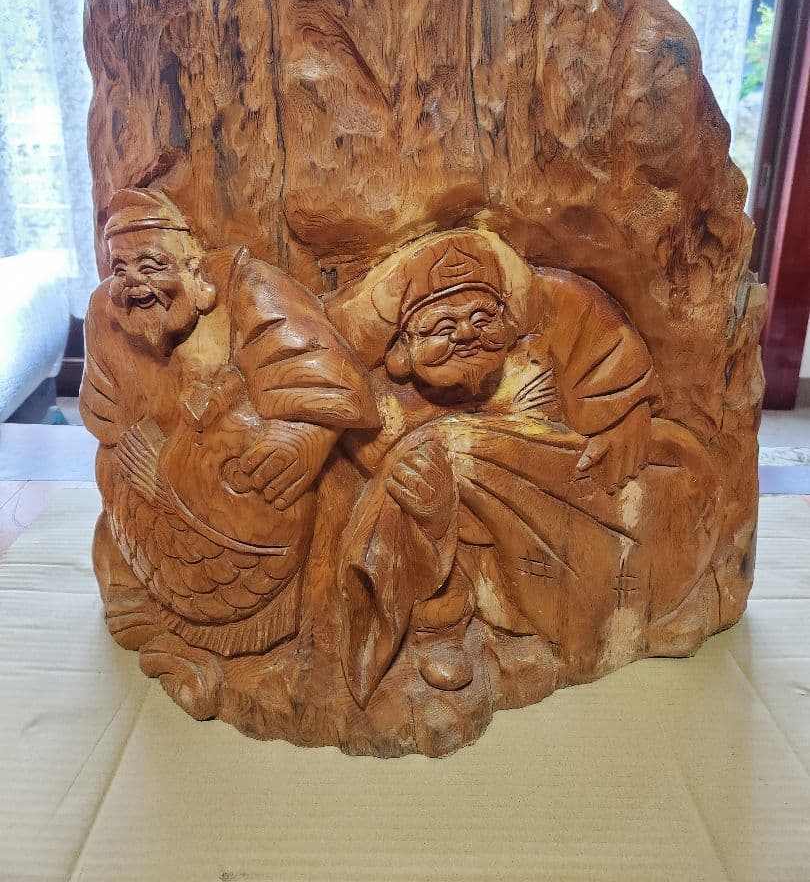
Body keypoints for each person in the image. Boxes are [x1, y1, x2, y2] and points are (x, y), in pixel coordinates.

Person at [335, 231, 718, 708]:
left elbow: (609, 371)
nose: (466, 334)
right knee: (424, 475)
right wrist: (437, 499)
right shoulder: (387, 410)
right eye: (442, 326)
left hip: (576, 502)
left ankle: (641, 606)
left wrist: (619, 421)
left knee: (669, 461)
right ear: (402, 349)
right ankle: (440, 627)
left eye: (482, 318)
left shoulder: (540, 348)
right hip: (479, 547)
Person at [81, 187, 379, 717]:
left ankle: (315, 641)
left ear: (196, 270)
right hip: (160, 526)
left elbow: (326, 376)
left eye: (151, 265)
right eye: (119, 267)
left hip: (257, 523)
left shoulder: (247, 284)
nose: (133, 283)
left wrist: (303, 432)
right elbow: (108, 420)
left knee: (331, 489)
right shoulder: (108, 310)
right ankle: (163, 623)